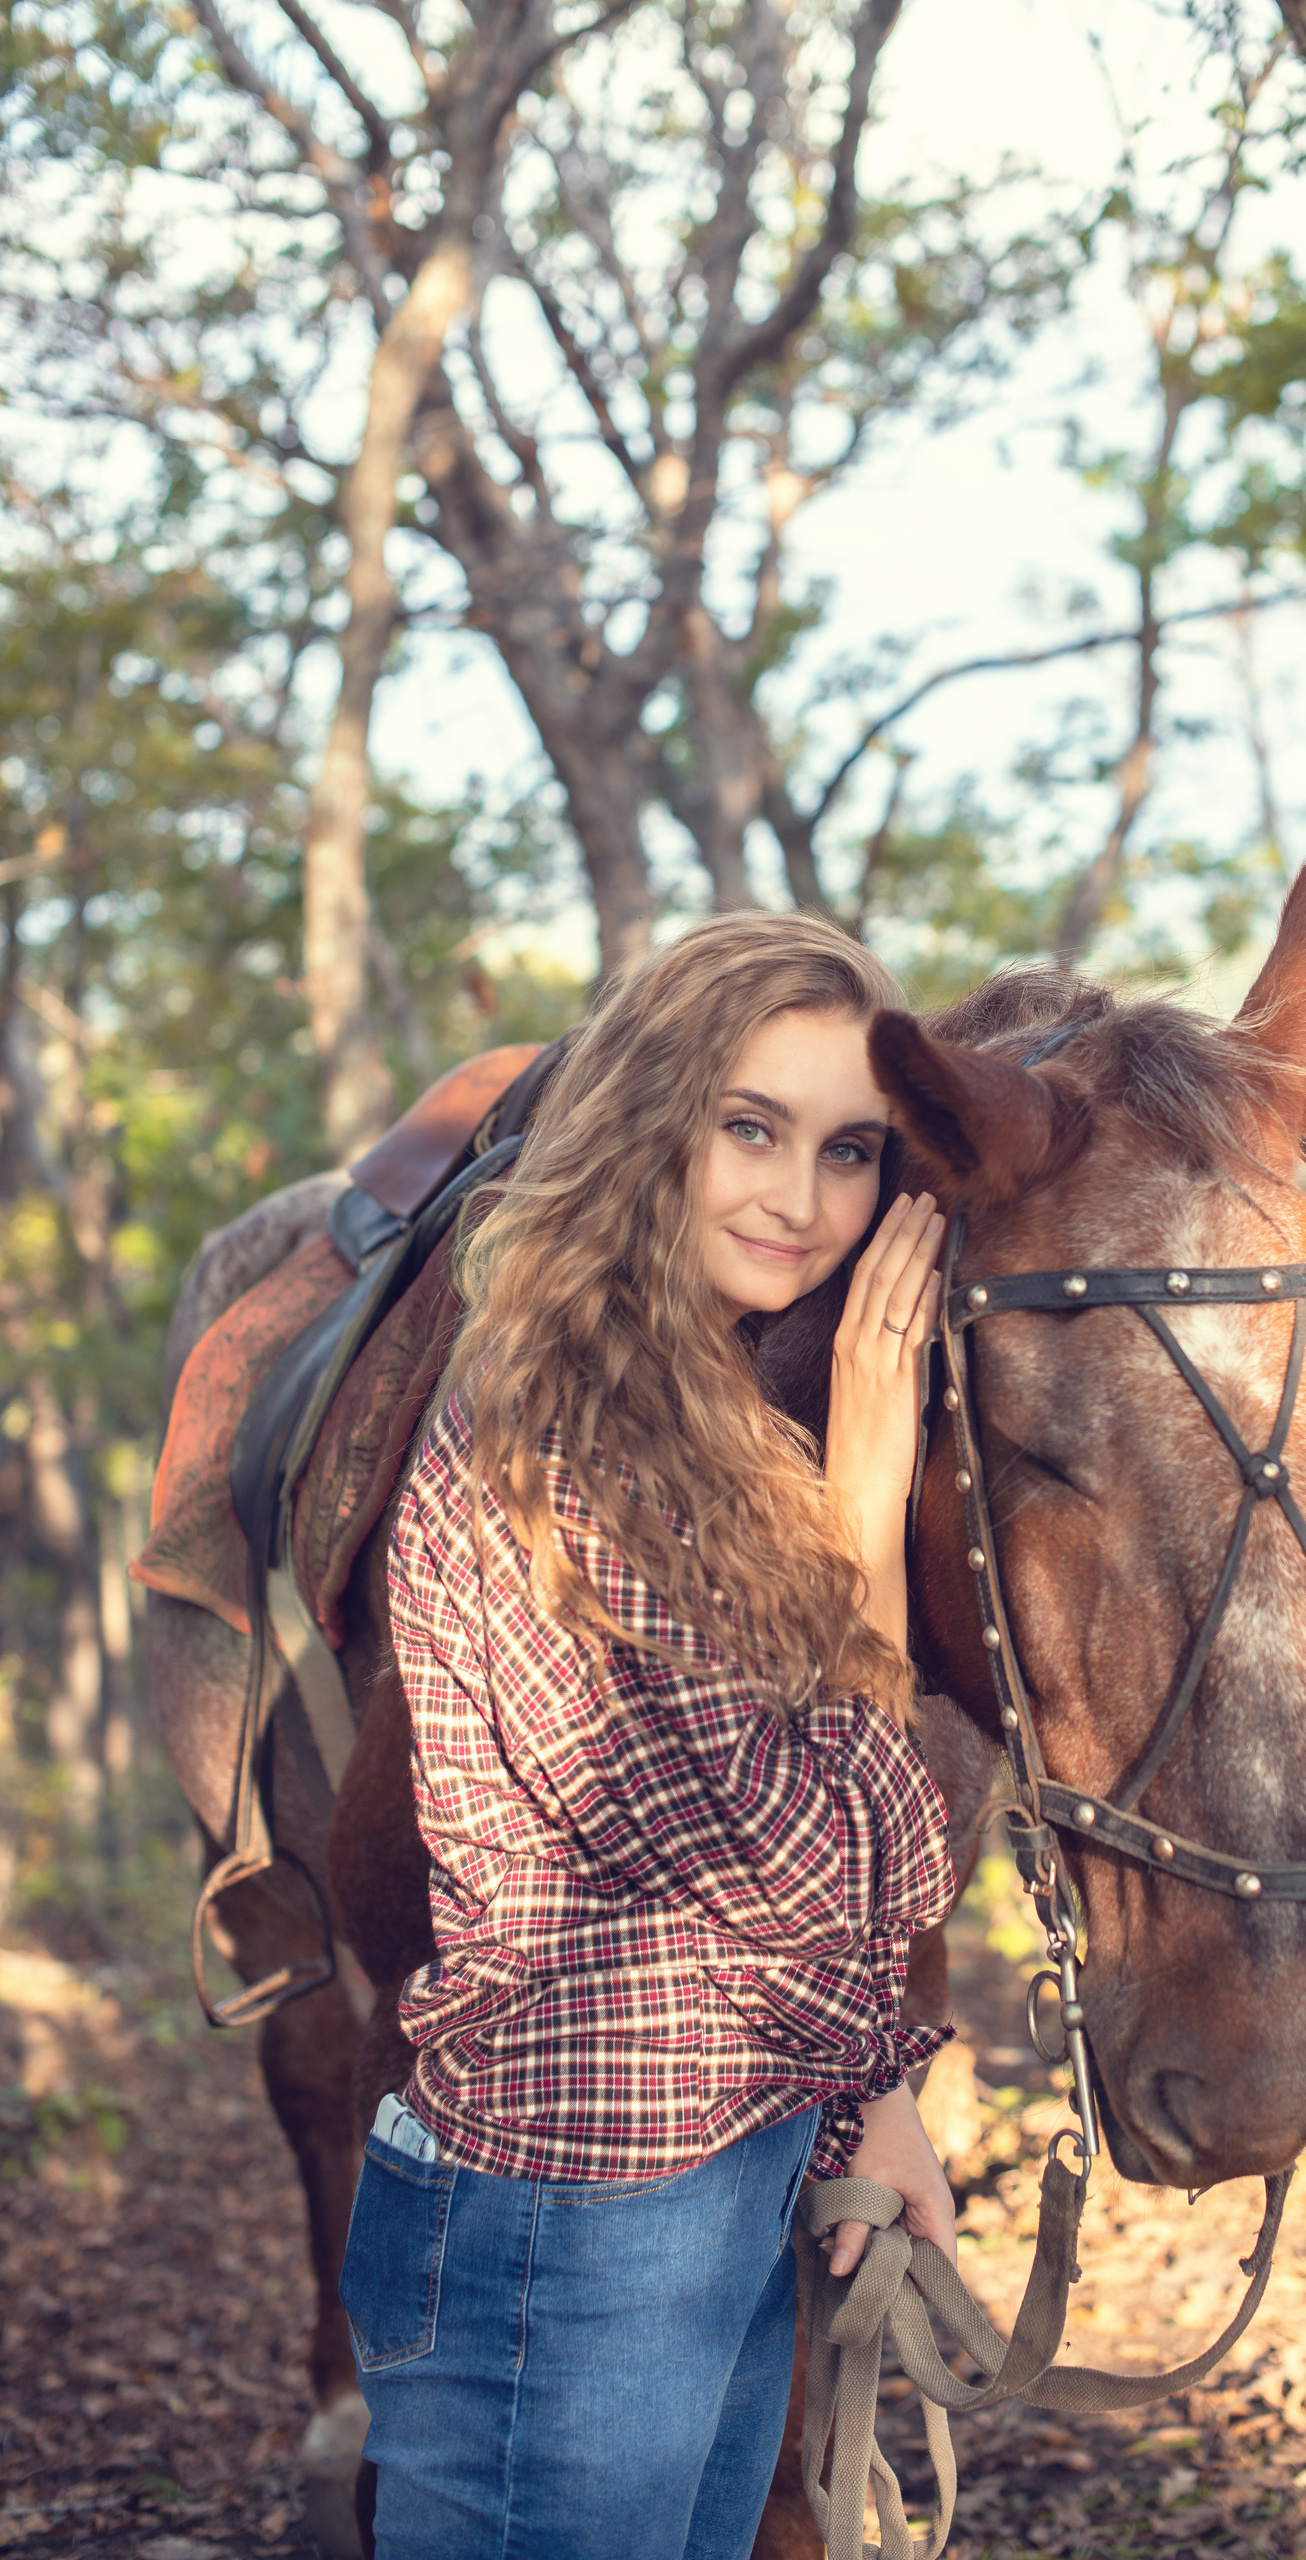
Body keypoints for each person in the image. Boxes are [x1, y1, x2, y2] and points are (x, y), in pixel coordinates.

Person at [338, 913, 960, 2559]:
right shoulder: (556, 1430)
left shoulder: (720, 1429)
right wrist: (873, 1496)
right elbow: (800, 1859)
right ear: (648, 1120)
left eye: (847, 1153)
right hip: (566, 2226)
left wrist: (859, 2105)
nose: (799, 1201)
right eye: (746, 1126)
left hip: (724, 2174)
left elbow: (854, 1844)